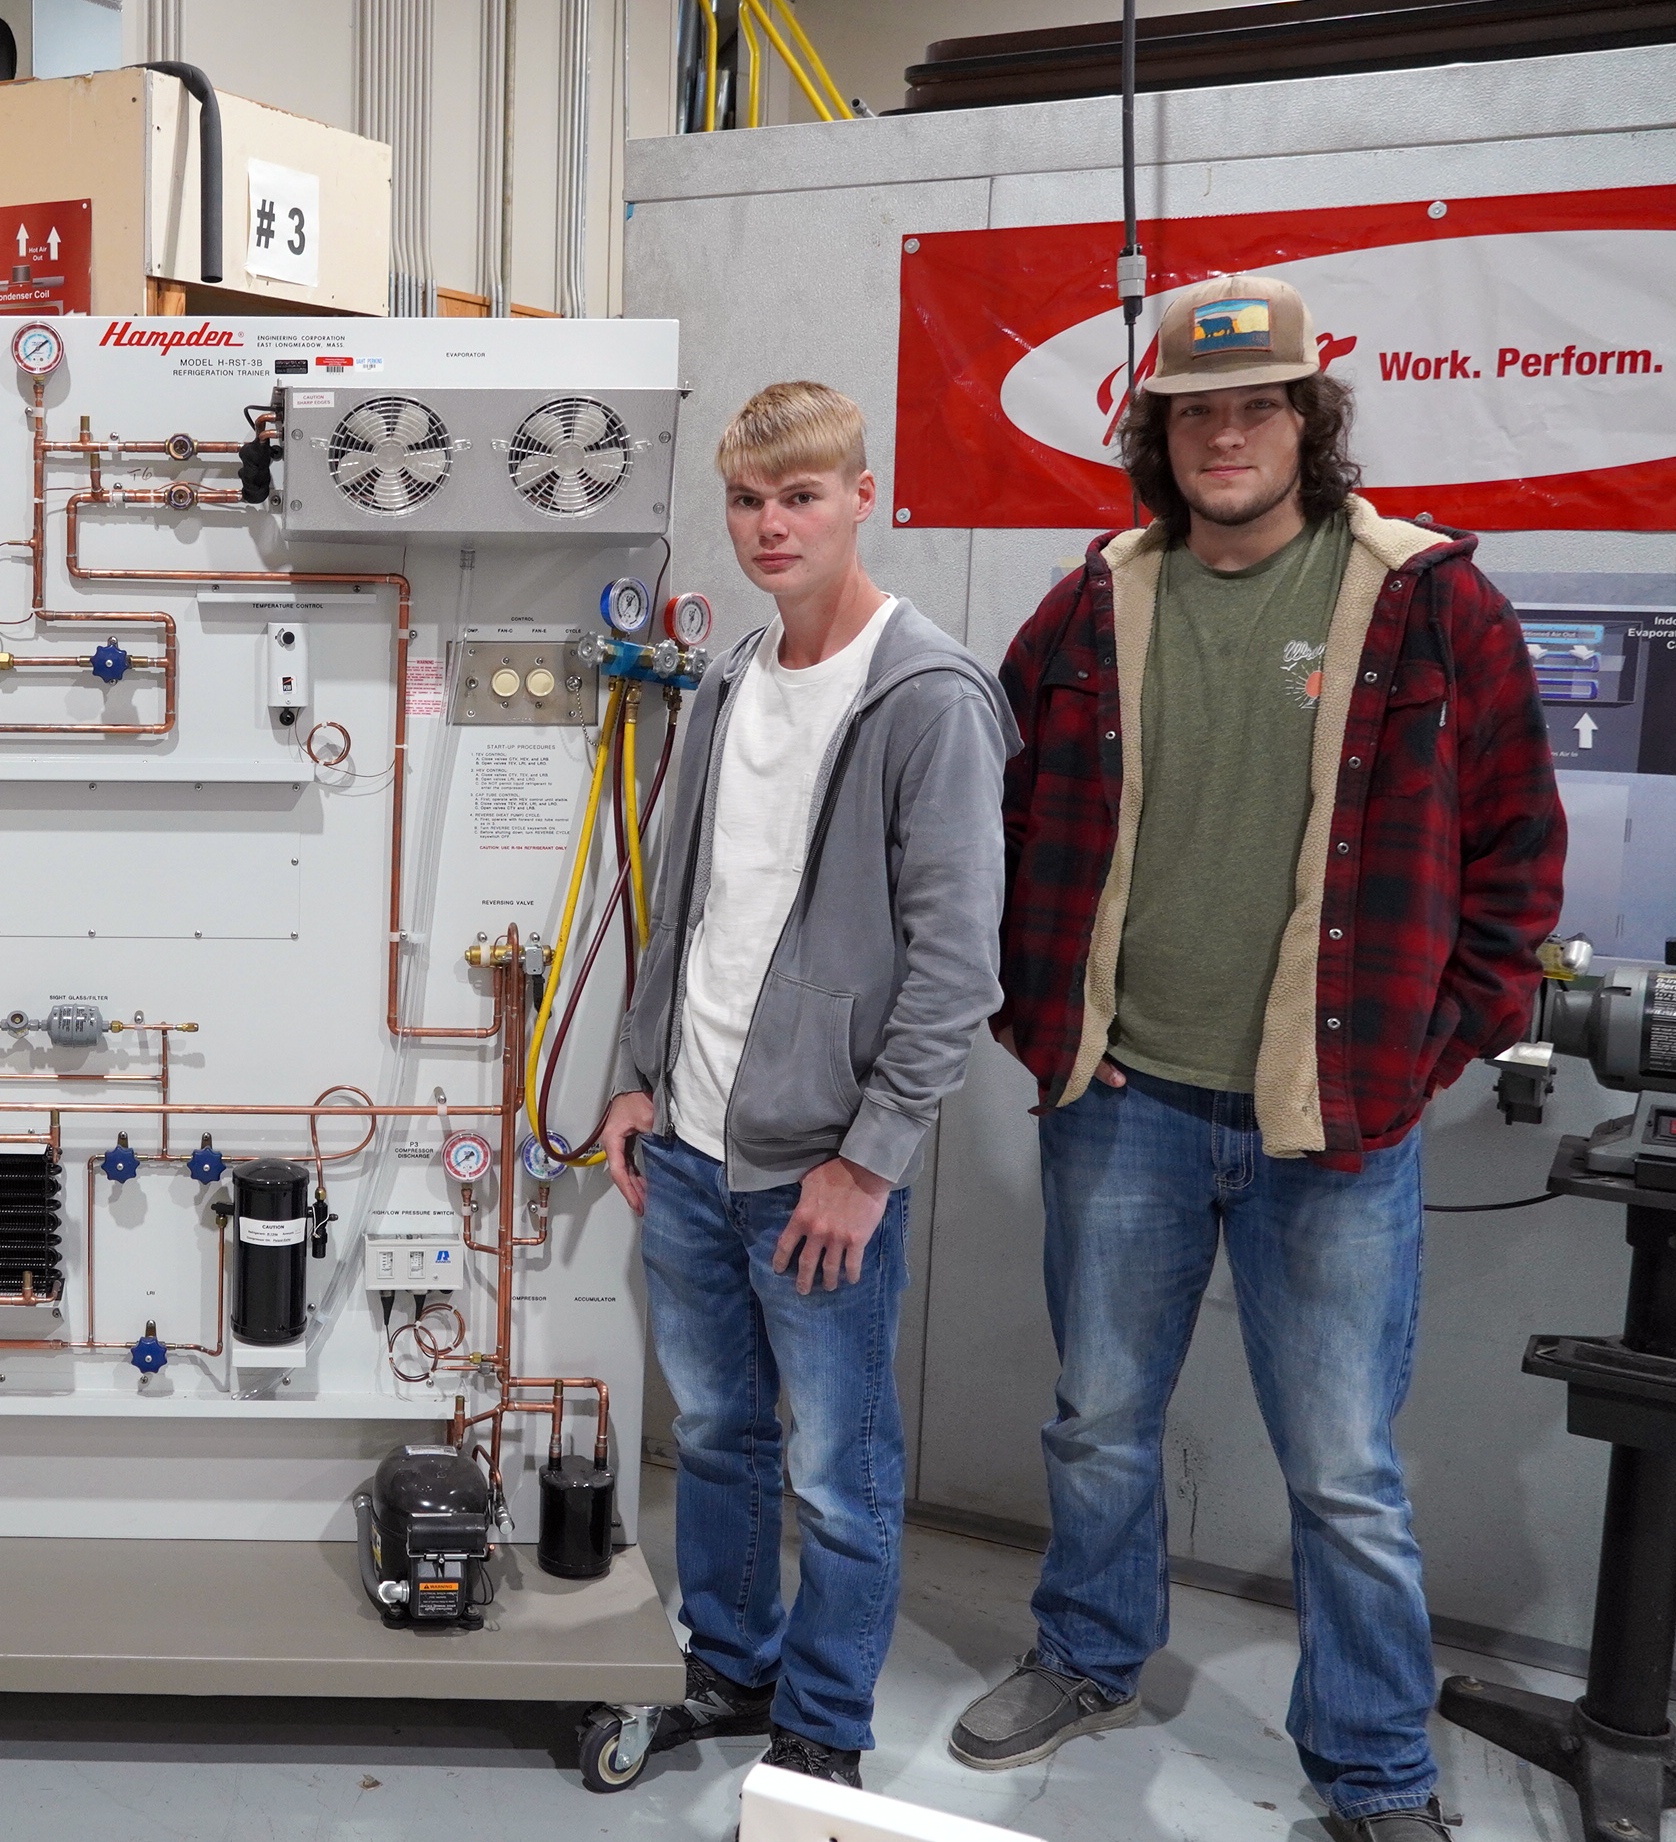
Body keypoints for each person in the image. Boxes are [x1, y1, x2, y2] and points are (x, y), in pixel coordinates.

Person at [952, 274, 1565, 1842]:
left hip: (1334, 1119)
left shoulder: (1428, 600)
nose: (1224, 435)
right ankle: (1089, 1651)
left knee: (1345, 1471)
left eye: (1255, 405)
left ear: (1307, 421)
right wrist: (1040, 1023)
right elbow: (1001, 816)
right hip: (1124, 1100)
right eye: (1192, 412)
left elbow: (1515, 853)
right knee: (1096, 1417)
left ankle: (1370, 1770)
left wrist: (1443, 1040)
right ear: (1156, 435)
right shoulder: (1093, 598)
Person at [593, 382, 1015, 1788]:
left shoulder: (927, 697)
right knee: (714, 1432)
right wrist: (638, 1079)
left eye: (800, 497)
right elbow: (685, 902)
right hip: (693, 1144)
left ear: (859, 499)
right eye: (747, 502)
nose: (769, 527)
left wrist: (868, 1157)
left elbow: (956, 965)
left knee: (836, 1468)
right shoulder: (730, 678)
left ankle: (822, 1729)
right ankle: (729, 1666)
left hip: (817, 1167)